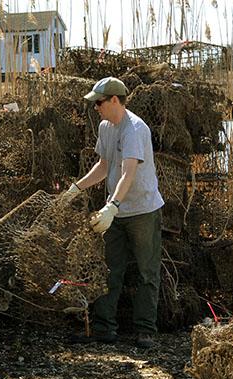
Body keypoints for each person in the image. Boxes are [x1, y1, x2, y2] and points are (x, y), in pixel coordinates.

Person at [66, 76, 164, 349]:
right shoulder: (105, 126)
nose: (95, 108)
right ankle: (104, 329)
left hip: (142, 210)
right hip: (115, 212)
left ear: (114, 101)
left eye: (98, 103)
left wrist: (112, 206)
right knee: (109, 270)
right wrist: (76, 188)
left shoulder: (135, 128)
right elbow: (104, 166)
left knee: (146, 272)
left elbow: (127, 172)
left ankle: (145, 331)